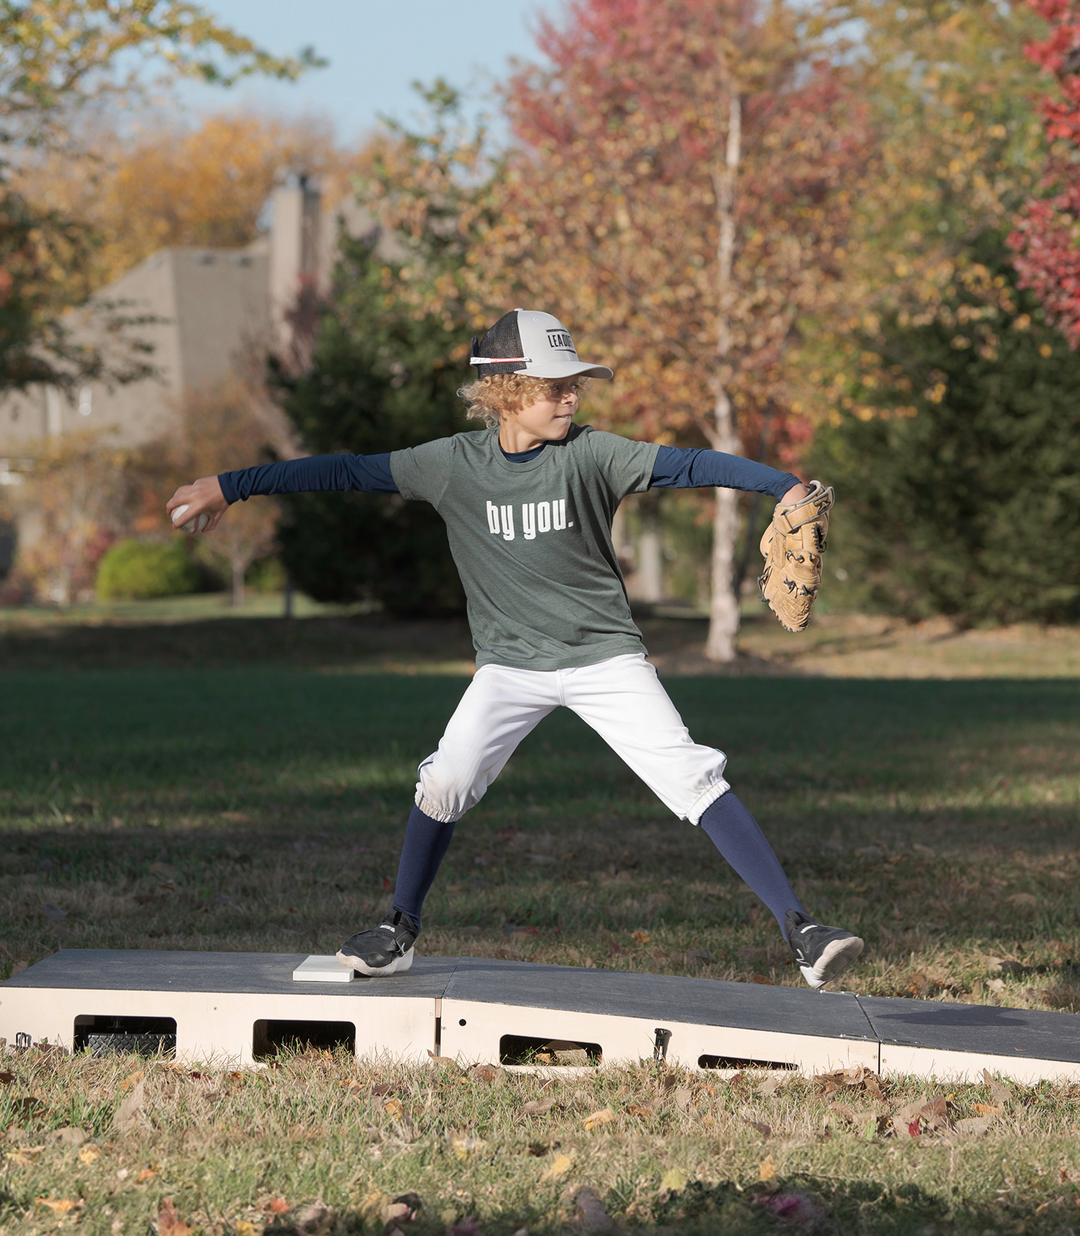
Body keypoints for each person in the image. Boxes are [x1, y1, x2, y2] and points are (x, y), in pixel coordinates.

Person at [166, 308, 864, 988]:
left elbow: (687, 465)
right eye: (552, 385)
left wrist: (782, 485)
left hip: (604, 660)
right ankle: (396, 930)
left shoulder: (594, 453)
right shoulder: (450, 466)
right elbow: (346, 471)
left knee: (690, 777)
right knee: (444, 781)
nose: (569, 396)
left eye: (572, 384)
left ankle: (803, 932)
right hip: (510, 670)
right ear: (503, 391)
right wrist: (232, 485)